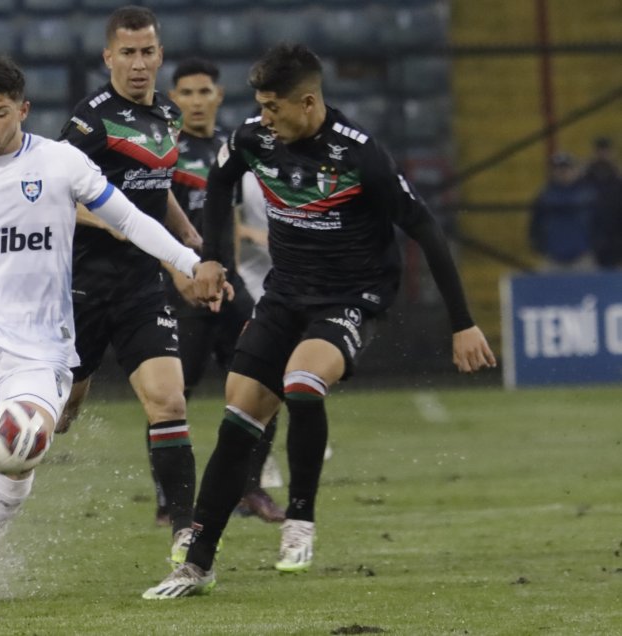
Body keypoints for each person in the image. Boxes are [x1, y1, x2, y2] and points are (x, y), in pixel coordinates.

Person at [143, 43, 496, 599]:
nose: (264, 116)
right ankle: (198, 564)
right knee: (238, 415)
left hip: (350, 297)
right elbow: (218, 183)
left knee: (302, 384)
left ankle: (299, 520)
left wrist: (462, 323)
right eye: (259, 105)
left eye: (273, 106)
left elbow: (426, 230)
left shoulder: (360, 155)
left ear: (308, 103)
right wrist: (213, 257)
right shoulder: (253, 138)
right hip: (285, 295)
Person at [0, 56, 225, 605]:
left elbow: (130, 219)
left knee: (18, 456)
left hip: (41, 349)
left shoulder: (62, 163)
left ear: (24, 110)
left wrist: (188, 263)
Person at [56, 5, 214, 562]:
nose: (139, 63)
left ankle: (184, 534)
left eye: (148, 52)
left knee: (168, 402)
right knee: (64, 414)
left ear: (160, 55)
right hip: (81, 287)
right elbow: (57, 199)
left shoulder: (169, 115)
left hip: (142, 287)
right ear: (109, 57)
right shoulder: (90, 121)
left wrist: (185, 234)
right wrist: (119, 224)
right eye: (128, 53)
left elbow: (156, 181)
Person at [164, 57, 284, 524]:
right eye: (187, 93)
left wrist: (230, 272)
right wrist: (178, 275)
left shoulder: (228, 148)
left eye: (204, 92)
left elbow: (230, 221)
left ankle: (250, 488)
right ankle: (169, 501)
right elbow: (153, 218)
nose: (196, 101)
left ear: (218, 96)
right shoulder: (163, 149)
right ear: (174, 99)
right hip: (180, 290)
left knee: (267, 375)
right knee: (172, 397)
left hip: (227, 289)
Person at [529, 152, 598, 272]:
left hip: (582, 257)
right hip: (553, 258)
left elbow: (600, 223)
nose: (562, 172)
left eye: (566, 168)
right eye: (558, 169)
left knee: (586, 289)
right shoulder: (544, 196)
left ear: (575, 170)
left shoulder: (589, 194)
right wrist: (541, 246)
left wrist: (596, 245)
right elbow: (535, 224)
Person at [581, 136, 622, 269]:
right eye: (600, 150)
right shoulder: (585, 179)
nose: (603, 154)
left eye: (605, 150)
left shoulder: (617, 179)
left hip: (616, 239)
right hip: (591, 241)